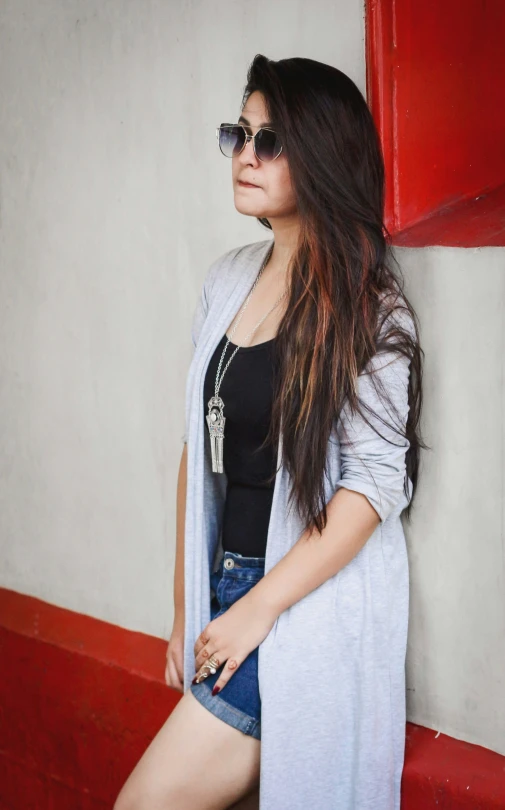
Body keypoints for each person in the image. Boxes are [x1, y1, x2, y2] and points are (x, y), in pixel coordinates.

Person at [114, 54, 425, 810]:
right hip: (226, 591)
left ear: (321, 154)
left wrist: (256, 609)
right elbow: (200, 441)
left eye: (271, 140)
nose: (245, 156)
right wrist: (191, 606)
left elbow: (373, 486)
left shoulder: (368, 309)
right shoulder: (226, 280)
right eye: (239, 133)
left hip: (299, 606)